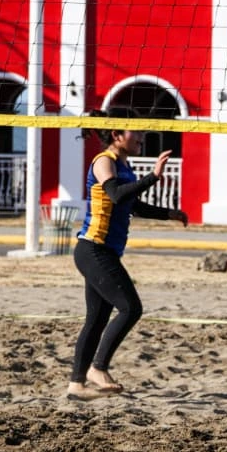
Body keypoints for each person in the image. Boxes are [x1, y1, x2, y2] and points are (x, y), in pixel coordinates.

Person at [66, 109, 187, 400]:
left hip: (103, 250)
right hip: (93, 248)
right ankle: (98, 368)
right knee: (131, 308)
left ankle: (76, 386)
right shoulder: (104, 162)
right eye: (137, 132)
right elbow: (117, 195)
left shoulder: (122, 163)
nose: (142, 137)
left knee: (96, 318)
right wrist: (154, 177)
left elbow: (131, 204)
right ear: (117, 136)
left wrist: (169, 213)